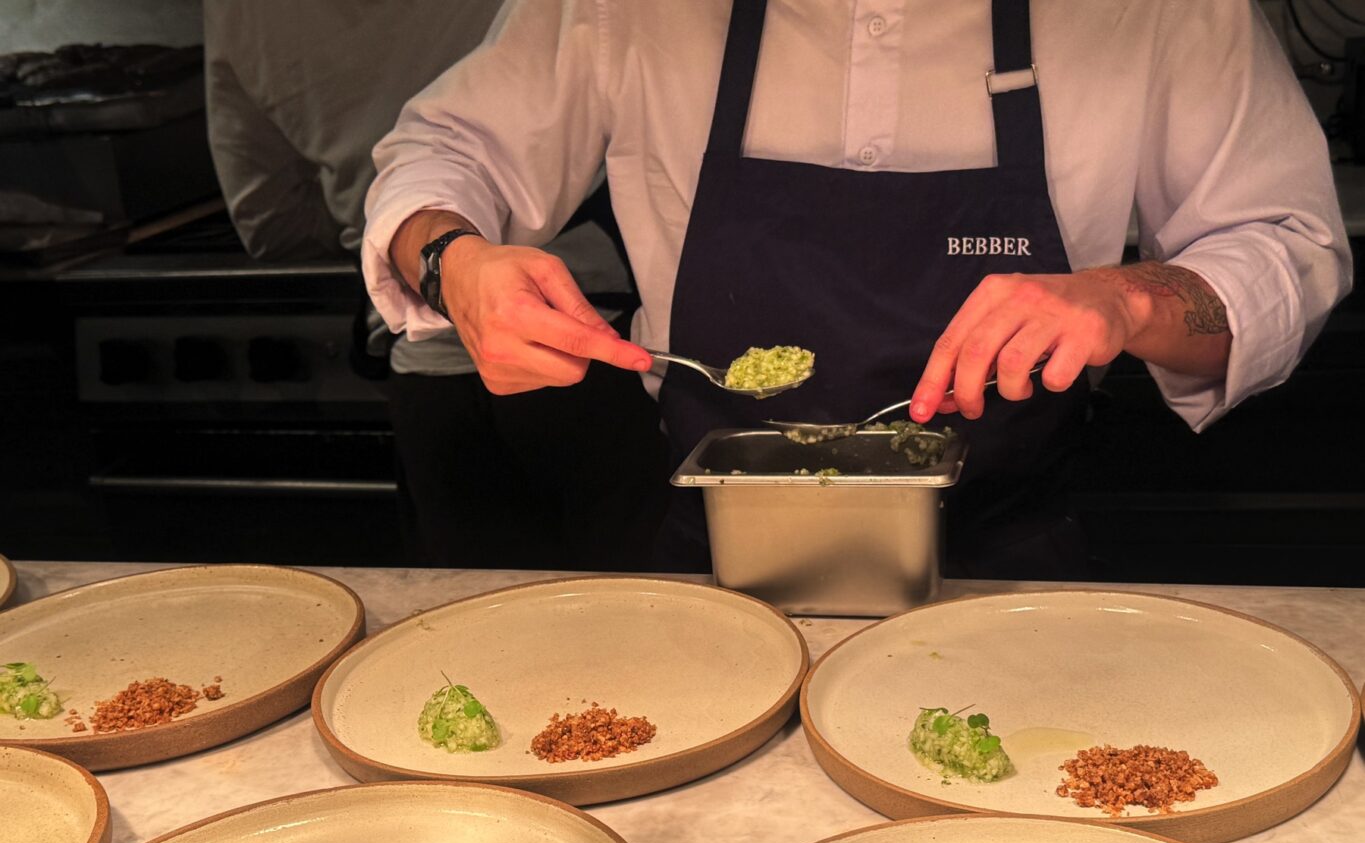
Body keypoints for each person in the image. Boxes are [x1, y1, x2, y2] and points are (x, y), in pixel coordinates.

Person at [363, 0, 1350, 578]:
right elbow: (445, 152)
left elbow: (1283, 244)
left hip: (1008, 566)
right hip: (712, 568)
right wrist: (455, 261)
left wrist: (1129, 298)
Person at [203, 0, 669, 570]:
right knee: (642, 613)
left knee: (479, 632)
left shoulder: (238, 12)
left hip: (430, 373)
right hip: (599, 345)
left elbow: (271, 223)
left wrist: (374, 227)